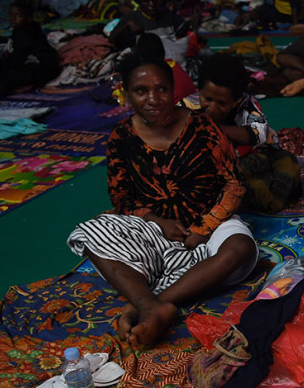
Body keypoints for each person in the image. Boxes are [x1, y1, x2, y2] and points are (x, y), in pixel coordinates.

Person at [67, 56, 258, 348]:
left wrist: (203, 228)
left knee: (241, 247)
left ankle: (149, 303)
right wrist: (158, 222)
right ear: (126, 93)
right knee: (90, 231)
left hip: (210, 223)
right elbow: (121, 197)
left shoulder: (203, 128)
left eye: (162, 90)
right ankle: (154, 304)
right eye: (141, 91)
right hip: (153, 229)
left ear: (174, 91)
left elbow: (234, 184)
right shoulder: (121, 137)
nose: (153, 99)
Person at [197, 53, 301, 213]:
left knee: (288, 162)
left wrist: (215, 127)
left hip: (252, 160)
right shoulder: (188, 106)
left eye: (221, 103)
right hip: (212, 169)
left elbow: (259, 133)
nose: (212, 107)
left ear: (236, 101)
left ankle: (258, 200)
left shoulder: (246, 104)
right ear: (199, 91)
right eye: (207, 99)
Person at [0, 3, 59, 97]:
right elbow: (12, 49)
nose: (12, 18)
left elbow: (17, 59)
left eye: (18, 16)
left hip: (40, 67)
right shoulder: (18, 30)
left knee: (8, 79)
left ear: (29, 18)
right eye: (11, 15)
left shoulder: (28, 33)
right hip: (23, 61)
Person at [109, 0, 196, 52]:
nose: (152, 4)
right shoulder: (132, 18)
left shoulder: (166, 14)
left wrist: (192, 22)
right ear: (138, 1)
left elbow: (183, 31)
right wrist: (127, 25)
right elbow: (111, 40)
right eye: (147, 1)